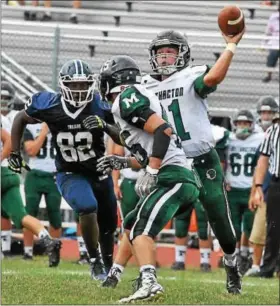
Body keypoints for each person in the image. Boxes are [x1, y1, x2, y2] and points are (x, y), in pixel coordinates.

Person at [83, 55, 200, 302]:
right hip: (172, 175)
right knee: (131, 222)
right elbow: (145, 152)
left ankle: (149, 282)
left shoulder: (127, 97)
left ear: (113, 81)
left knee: (140, 229)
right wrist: (124, 162)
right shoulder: (130, 102)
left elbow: (163, 131)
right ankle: (114, 274)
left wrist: (153, 170)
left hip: (174, 177)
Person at [140, 28, 245, 293]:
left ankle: (231, 263)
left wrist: (231, 46)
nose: (164, 58)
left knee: (219, 218)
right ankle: (134, 272)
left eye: (170, 52)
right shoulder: (144, 85)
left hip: (201, 160)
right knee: (148, 216)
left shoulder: (192, 75)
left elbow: (214, 77)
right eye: (160, 54)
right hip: (169, 161)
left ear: (182, 54)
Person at [7, 59, 117, 280]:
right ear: (63, 85)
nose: (78, 90)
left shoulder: (100, 105)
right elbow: (20, 118)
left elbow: (123, 136)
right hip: (69, 172)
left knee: (108, 224)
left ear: (91, 84)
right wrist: (15, 152)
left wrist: (105, 126)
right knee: (87, 206)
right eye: (73, 85)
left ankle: (108, 263)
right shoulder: (49, 104)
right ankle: (94, 259)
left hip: (99, 170)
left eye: (83, 84)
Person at [1, 123, 61, 266]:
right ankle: (47, 239)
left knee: (51, 215)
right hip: (9, 173)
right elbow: (9, 139)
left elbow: (8, 139)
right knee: (22, 216)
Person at [225, 109, 264, 275]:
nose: (242, 126)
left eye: (246, 123)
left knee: (249, 226)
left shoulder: (259, 139)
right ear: (234, 125)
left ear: (252, 125)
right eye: (239, 123)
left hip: (250, 189)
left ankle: (245, 255)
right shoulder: (227, 139)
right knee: (233, 227)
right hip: (232, 188)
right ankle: (233, 258)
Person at [245, 95, 278, 276]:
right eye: (263, 112)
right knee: (265, 229)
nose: (266, 116)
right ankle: (261, 267)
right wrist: (255, 189)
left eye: (270, 112)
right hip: (271, 186)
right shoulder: (267, 133)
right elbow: (261, 162)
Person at [22, 122, 62, 261]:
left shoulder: (60, 123)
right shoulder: (31, 127)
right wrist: (44, 132)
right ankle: (27, 253)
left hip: (54, 174)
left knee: (55, 215)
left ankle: (54, 253)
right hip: (35, 173)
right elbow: (32, 151)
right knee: (29, 214)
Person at [262, 5, 279, 82]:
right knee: (271, 59)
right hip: (275, 42)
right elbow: (268, 30)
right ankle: (269, 75)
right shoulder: (273, 17)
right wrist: (264, 43)